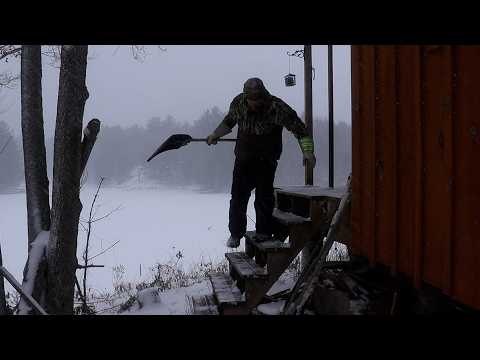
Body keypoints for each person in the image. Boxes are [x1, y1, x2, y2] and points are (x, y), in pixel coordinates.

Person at [207, 78, 316, 248]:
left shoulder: (277, 108)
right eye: (251, 100)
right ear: (246, 97)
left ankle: (263, 233)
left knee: (264, 198)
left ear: (263, 96)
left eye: (257, 100)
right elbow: (229, 121)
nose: (254, 104)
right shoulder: (239, 103)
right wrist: (215, 134)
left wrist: (308, 152)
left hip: (266, 159)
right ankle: (236, 234)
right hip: (243, 158)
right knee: (238, 197)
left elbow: (300, 130)